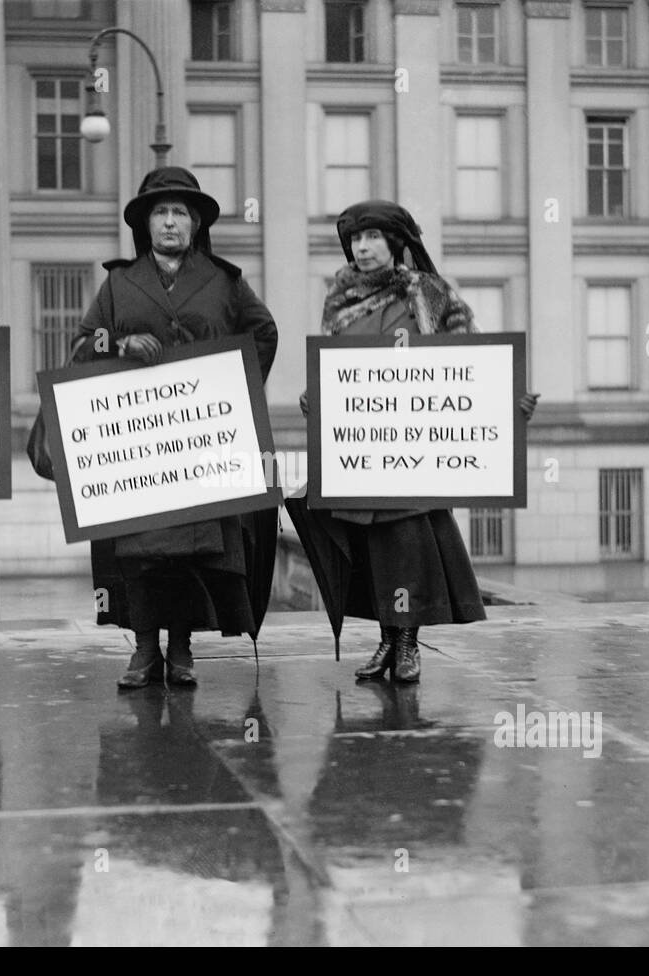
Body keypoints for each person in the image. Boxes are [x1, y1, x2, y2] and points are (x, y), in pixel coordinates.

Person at [298, 200, 538, 682]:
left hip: (415, 453)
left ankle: (408, 643)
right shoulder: (339, 302)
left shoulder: (429, 293)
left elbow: (470, 360)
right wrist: (317, 395)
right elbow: (340, 369)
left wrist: (508, 402)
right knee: (369, 552)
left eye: (372, 237)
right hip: (365, 452)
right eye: (355, 240)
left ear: (396, 242)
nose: (362, 248)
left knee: (404, 547)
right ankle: (387, 641)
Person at [69, 167, 278, 689]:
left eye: (180, 212)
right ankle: (144, 649)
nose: (169, 222)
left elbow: (264, 334)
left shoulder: (225, 282)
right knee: (140, 553)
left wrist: (232, 394)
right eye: (160, 212)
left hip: (199, 441)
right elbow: (81, 345)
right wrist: (117, 347)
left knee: (189, 550)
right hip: (137, 446)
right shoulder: (118, 283)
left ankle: (180, 649)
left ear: (195, 223)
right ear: (145, 224)